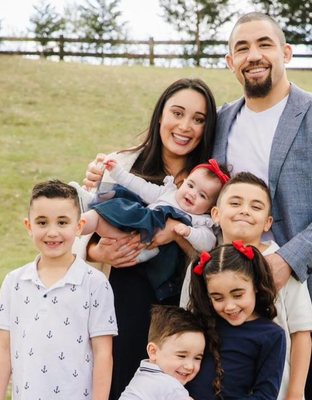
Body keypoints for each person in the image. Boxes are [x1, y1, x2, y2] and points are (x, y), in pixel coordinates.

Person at [213, 12, 312, 399]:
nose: (254, 55)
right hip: (235, 306)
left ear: (286, 52)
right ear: (231, 62)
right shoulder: (221, 121)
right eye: (242, 48)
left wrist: (286, 261)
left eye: (264, 44)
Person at [73, 77, 218, 398]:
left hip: (180, 305)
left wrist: (172, 235)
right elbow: (77, 228)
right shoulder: (122, 164)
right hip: (125, 299)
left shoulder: (209, 181)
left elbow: (217, 245)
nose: (185, 126)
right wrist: (99, 252)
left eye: (198, 119)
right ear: (160, 117)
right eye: (177, 113)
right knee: (120, 382)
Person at [181, 172, 312, 400]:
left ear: (267, 222)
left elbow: (301, 332)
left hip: (273, 389)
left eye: (256, 206)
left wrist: (295, 392)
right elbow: (186, 324)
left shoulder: (282, 263)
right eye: (235, 203)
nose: (244, 210)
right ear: (216, 213)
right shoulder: (202, 264)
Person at [0, 180, 117, 400]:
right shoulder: (14, 282)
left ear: (79, 227)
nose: (52, 232)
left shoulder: (95, 284)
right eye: (42, 223)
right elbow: (3, 348)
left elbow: (103, 353)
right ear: (29, 227)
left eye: (62, 222)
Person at [186, 243, 287, 399]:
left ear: (255, 285)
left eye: (238, 295)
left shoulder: (272, 335)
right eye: (218, 298)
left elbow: (265, 395)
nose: (230, 306)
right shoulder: (200, 322)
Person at [75, 158, 229, 260]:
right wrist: (118, 172)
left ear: (211, 209)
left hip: (146, 246)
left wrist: (189, 232)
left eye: (202, 195)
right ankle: (87, 207)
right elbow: (141, 187)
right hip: (131, 231)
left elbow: (208, 243)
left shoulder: (202, 220)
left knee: (131, 209)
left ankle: (94, 203)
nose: (192, 194)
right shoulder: (169, 193)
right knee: (123, 195)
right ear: (183, 181)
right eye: (190, 185)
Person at [119, 305, 205, 400]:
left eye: (197, 358)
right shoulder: (172, 388)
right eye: (181, 356)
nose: (190, 366)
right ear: (153, 352)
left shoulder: (143, 373)